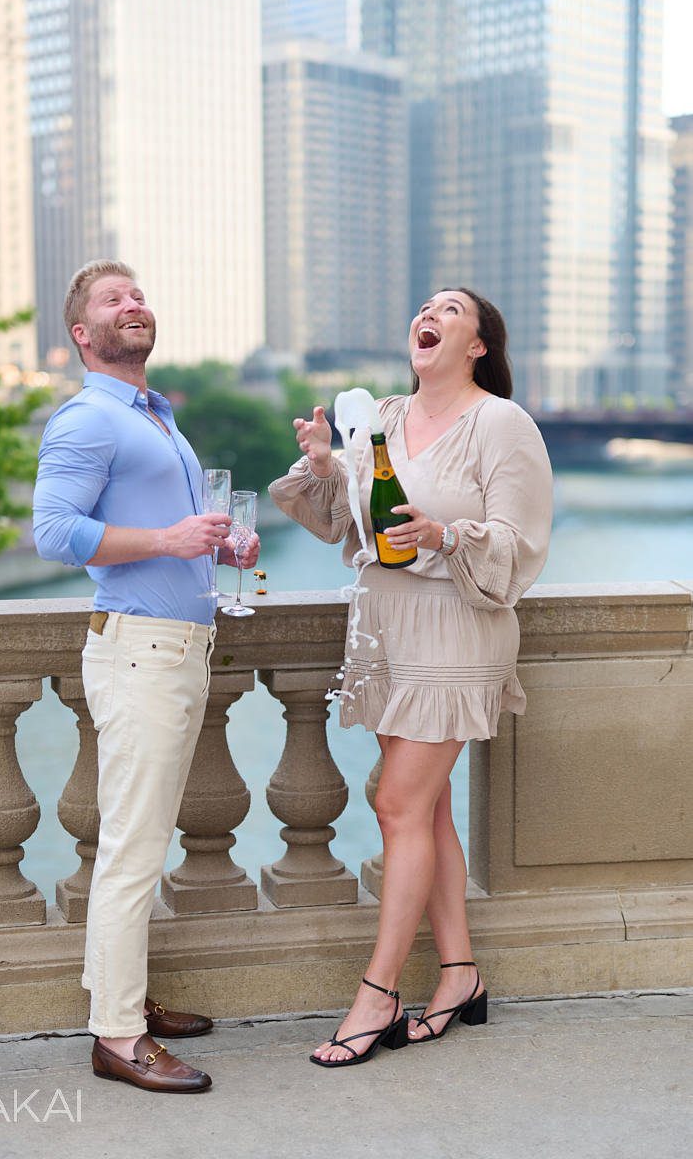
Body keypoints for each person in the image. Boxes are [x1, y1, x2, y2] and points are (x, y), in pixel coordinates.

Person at [269, 288, 552, 1066]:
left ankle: (379, 992)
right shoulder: (383, 418)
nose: (428, 314)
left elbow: (521, 543)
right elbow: (342, 524)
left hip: (454, 628)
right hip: (385, 631)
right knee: (421, 812)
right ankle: (458, 974)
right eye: (424, 307)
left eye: (450, 309)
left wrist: (446, 533)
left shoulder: (501, 423)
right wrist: (326, 464)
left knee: (396, 803)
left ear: (478, 345)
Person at [33, 259, 259, 1093]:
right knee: (132, 849)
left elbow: (166, 526)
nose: (132, 305)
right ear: (84, 335)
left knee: (142, 839)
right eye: (110, 300)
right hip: (139, 651)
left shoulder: (157, 416)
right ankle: (118, 1037)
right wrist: (168, 543)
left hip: (173, 646)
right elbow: (54, 534)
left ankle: (123, 998)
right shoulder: (88, 418)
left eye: (137, 294)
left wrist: (217, 545)